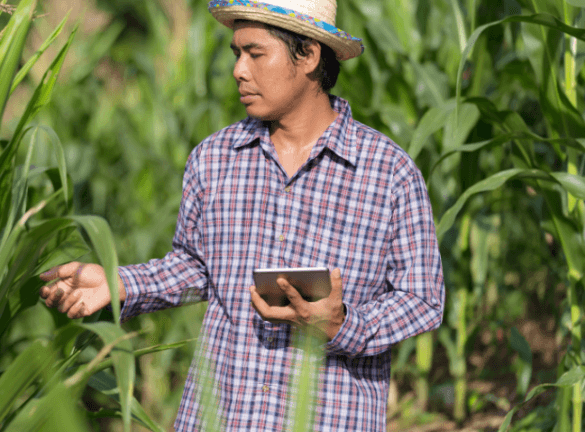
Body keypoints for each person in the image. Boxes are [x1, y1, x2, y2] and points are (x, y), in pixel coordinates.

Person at [39, 0, 445, 430]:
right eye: (237, 54)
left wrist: (343, 325)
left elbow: (422, 300)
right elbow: (196, 267)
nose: (238, 70)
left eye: (255, 53)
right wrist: (119, 282)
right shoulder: (213, 159)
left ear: (308, 55)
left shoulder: (389, 172)